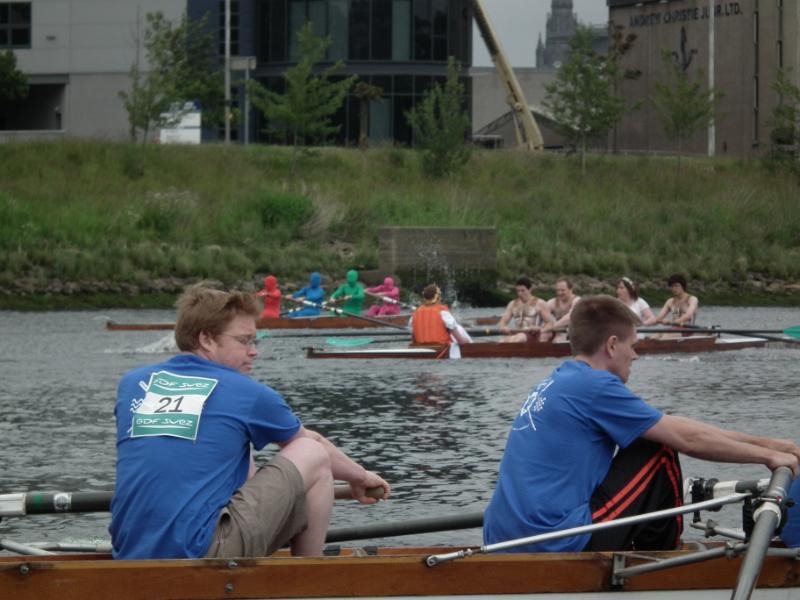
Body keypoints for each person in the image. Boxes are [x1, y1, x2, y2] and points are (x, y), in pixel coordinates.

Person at [483, 295, 800, 553]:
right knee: (659, 449)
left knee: (656, 433)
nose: (635, 355)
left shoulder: (558, 380)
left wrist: (771, 445)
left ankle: (649, 552)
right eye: (632, 345)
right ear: (611, 345)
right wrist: (768, 457)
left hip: (501, 537)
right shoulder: (595, 386)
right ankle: (665, 563)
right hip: (554, 542)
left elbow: (677, 425)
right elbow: (685, 439)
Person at [110, 284, 390, 560]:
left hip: (130, 552)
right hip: (204, 553)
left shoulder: (133, 384)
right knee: (312, 453)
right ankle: (307, 577)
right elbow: (312, 443)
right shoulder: (247, 392)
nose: (253, 351)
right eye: (244, 341)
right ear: (206, 339)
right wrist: (360, 477)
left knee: (240, 455)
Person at [409, 284, 472, 359]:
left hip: (420, 349)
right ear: (437, 297)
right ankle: (474, 347)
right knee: (459, 328)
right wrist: (468, 341)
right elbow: (461, 341)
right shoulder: (443, 312)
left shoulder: (414, 315)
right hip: (442, 349)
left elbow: (414, 340)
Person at [497, 276, 555, 343]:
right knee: (502, 341)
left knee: (519, 337)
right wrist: (503, 327)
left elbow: (550, 323)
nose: (520, 294)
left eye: (523, 291)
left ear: (530, 289)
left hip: (533, 336)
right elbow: (502, 322)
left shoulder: (540, 303)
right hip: (518, 335)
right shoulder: (512, 304)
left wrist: (540, 329)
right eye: (518, 291)